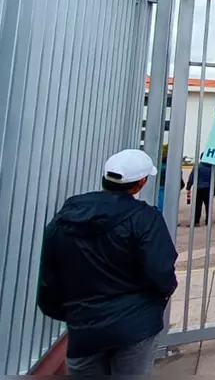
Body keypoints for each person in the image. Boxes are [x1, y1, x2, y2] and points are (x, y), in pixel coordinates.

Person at [37, 149, 177, 375]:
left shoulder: (66, 217)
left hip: (84, 326)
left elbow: (49, 274)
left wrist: (70, 314)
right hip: (135, 324)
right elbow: (161, 271)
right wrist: (154, 305)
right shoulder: (144, 217)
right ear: (141, 183)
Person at [185, 156, 215, 226]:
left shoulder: (198, 166)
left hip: (199, 188)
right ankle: (208, 221)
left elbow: (192, 176)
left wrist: (189, 186)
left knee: (197, 205)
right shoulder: (212, 167)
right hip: (208, 188)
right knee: (208, 206)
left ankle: (196, 221)